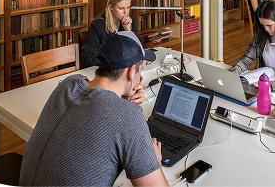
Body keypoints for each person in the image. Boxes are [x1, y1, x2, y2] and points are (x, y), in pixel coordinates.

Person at [19, 31, 169, 187]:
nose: (141, 78)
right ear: (131, 72)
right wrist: (154, 161)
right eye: (140, 70)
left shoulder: (68, 83)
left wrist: (121, 100)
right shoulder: (129, 115)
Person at [230, 0, 275, 92]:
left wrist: (271, 86)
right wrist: (232, 73)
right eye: (262, 25)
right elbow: (246, 60)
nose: (265, 29)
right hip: (266, 83)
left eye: (269, 25)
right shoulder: (260, 37)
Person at [82, 0, 139, 68]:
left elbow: (138, 50)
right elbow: (87, 57)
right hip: (103, 68)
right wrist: (111, 60)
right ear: (111, 7)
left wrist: (128, 30)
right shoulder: (98, 24)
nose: (126, 12)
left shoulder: (130, 20)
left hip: (123, 67)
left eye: (128, 7)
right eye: (121, 8)